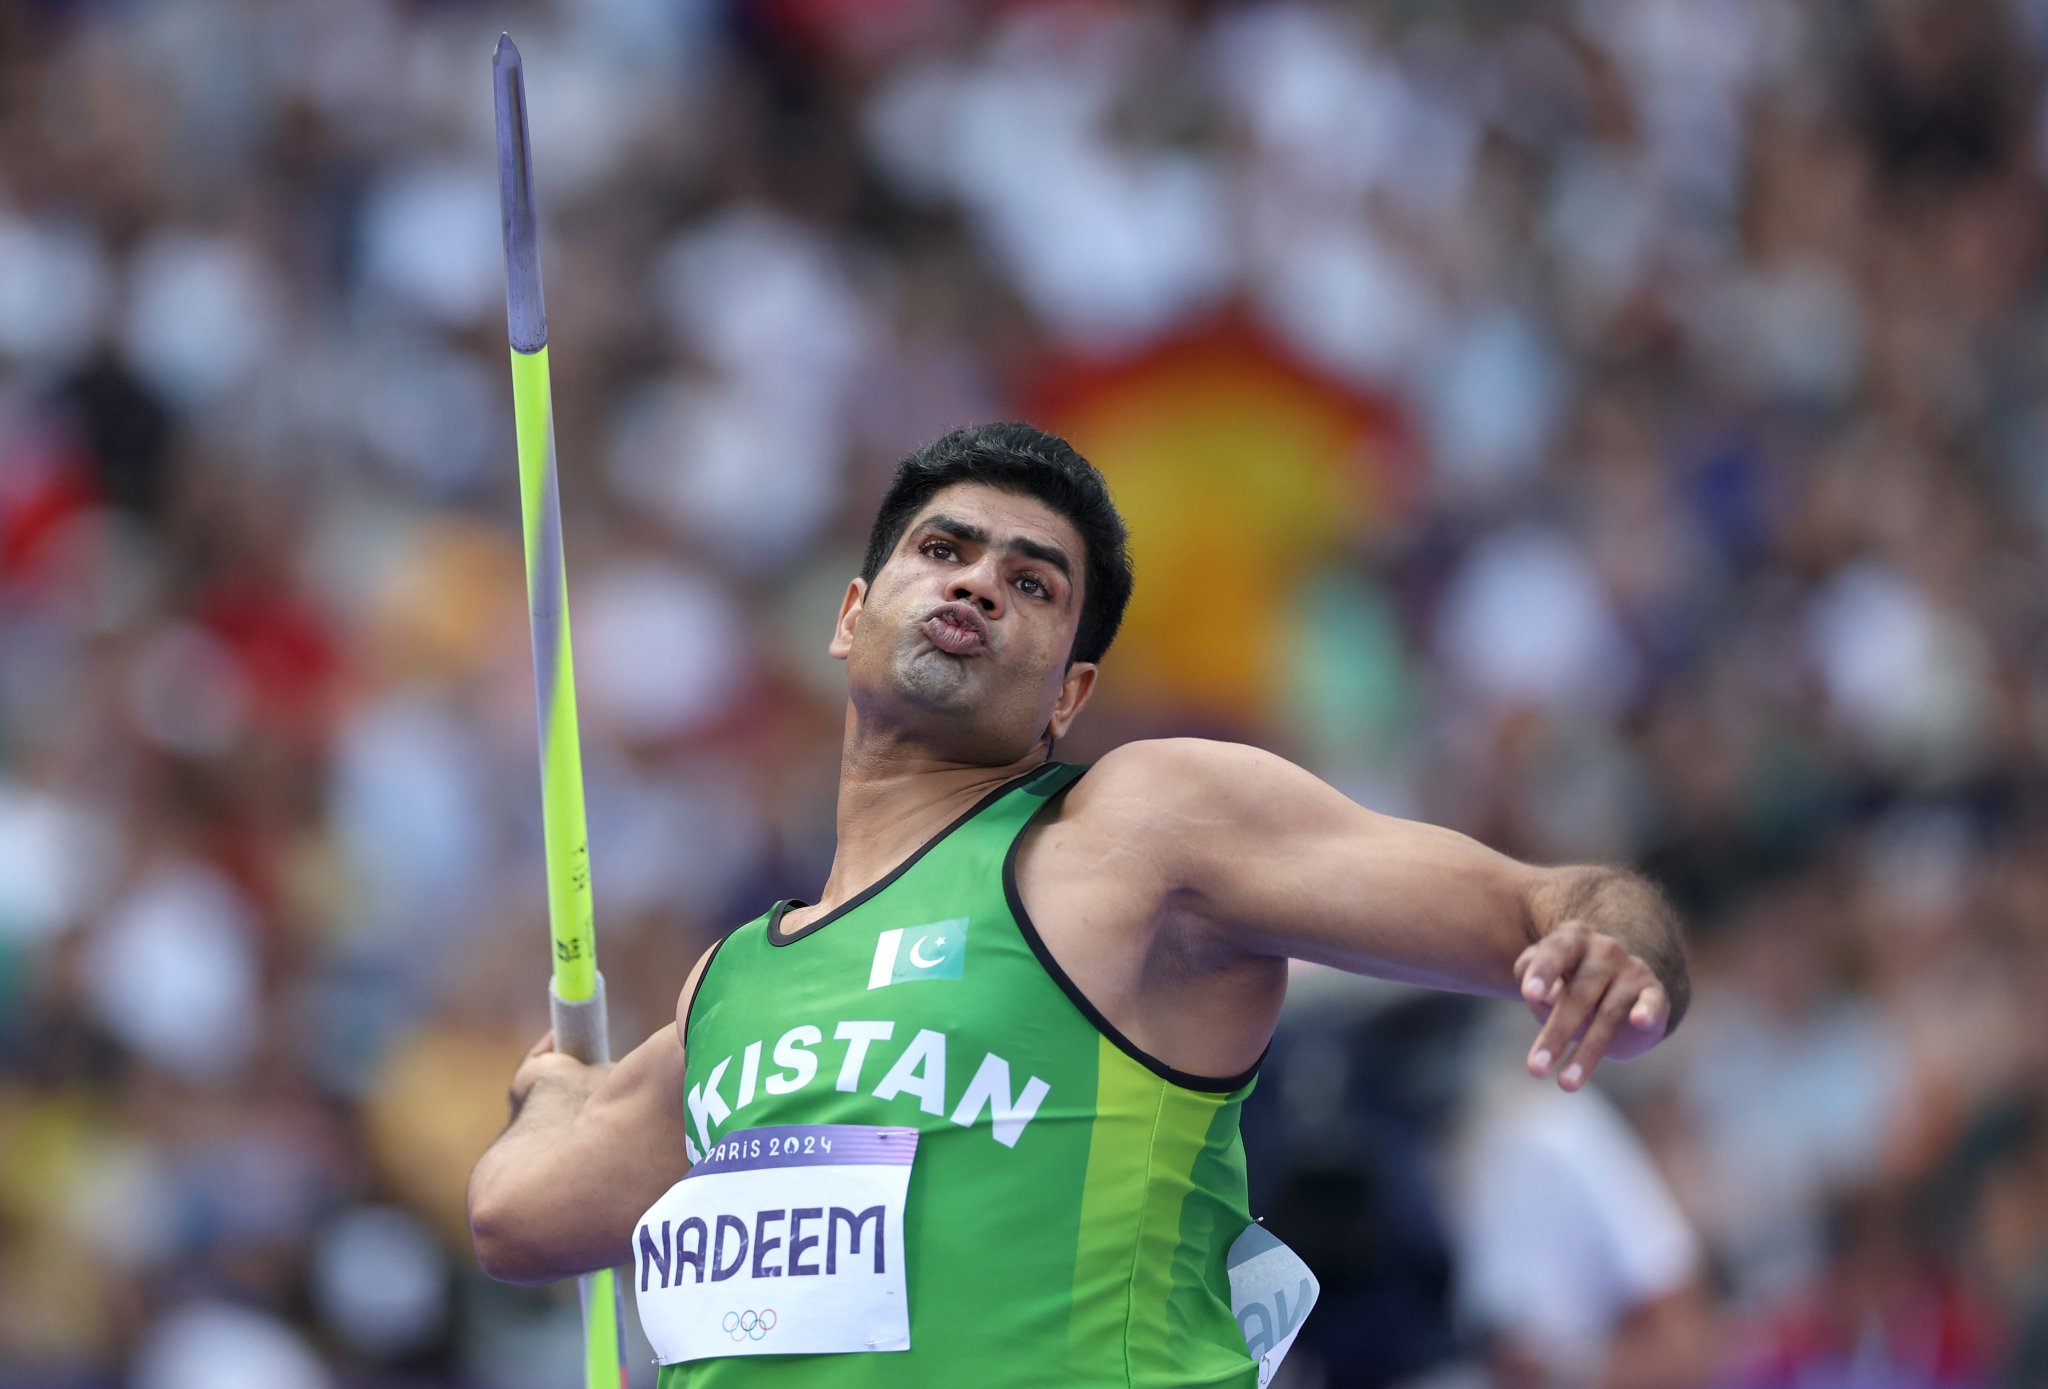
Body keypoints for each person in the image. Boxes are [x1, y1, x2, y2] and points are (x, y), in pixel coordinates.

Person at [466, 422, 1691, 1388]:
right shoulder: (735, 980)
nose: (978, 585)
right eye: (942, 551)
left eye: (1032, 583)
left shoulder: (1131, 838)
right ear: (850, 617)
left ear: (1069, 692)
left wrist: (1612, 945)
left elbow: (1548, 904)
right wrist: (552, 1094)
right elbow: (520, 1216)